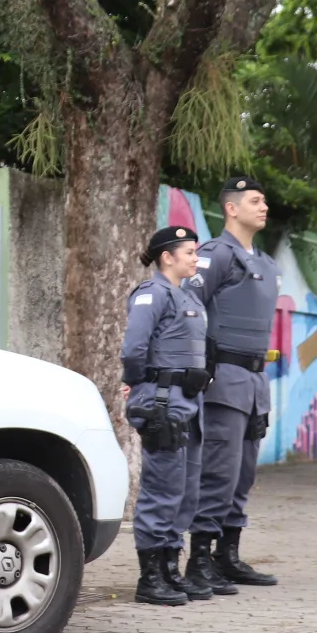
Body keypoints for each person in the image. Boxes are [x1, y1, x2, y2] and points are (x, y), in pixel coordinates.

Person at [187, 176, 281, 593]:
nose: (264, 207)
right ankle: (199, 559)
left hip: (256, 381)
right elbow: (185, 306)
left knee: (243, 474)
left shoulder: (265, 263)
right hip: (223, 378)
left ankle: (228, 555)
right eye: (255, 201)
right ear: (231, 208)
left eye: (264, 201)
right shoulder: (216, 255)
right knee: (219, 472)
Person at [120, 225, 211, 606]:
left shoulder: (187, 295)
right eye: (189, 252)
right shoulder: (152, 294)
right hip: (164, 403)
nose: (195, 258)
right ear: (167, 257)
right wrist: (139, 385)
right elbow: (133, 349)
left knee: (185, 491)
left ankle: (171, 568)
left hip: (188, 404)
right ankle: (150, 576)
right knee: (162, 490)